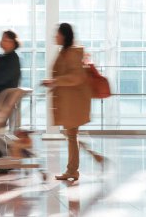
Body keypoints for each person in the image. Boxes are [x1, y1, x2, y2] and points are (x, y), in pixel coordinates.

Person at [42, 23, 103, 181]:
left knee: (71, 135)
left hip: (74, 102)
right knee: (72, 135)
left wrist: (55, 81)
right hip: (70, 101)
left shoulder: (72, 52)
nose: (55, 36)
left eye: (57, 33)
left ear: (64, 35)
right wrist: (54, 81)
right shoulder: (66, 51)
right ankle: (82, 163)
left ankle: (74, 169)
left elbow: (77, 77)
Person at [0, 30, 21, 175]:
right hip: (1, 100)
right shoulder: (5, 58)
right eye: (2, 39)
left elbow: (4, 78)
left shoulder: (12, 59)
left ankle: (2, 164)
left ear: (13, 43)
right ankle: (4, 163)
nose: (2, 41)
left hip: (5, 101)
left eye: (6, 40)